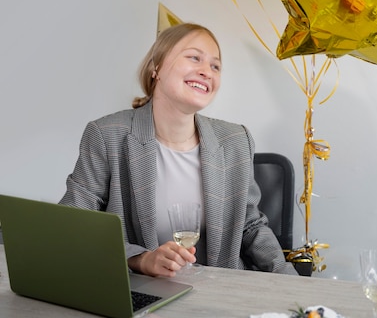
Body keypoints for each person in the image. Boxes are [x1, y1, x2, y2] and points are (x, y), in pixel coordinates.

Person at [60, 23, 297, 276]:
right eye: (195, 57)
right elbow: (72, 224)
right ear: (156, 67)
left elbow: (250, 226)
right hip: (141, 292)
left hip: (220, 291)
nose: (207, 71)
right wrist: (141, 259)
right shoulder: (107, 135)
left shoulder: (236, 140)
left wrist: (290, 281)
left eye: (215, 66)